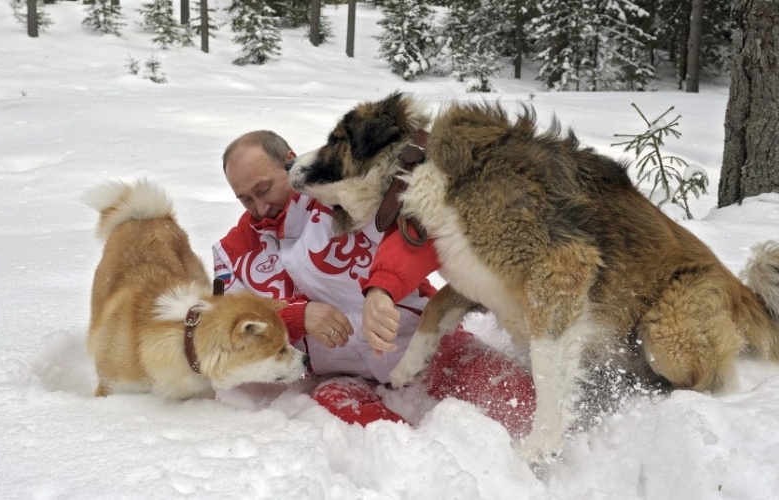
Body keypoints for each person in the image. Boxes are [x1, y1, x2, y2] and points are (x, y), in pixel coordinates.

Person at [212, 130, 536, 436]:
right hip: (340, 378)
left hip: (427, 344)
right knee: (375, 438)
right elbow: (222, 332)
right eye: (245, 199)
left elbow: (421, 231)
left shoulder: (348, 191)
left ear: (290, 160)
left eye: (264, 189)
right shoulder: (233, 252)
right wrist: (295, 318)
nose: (260, 207)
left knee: (521, 404)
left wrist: (382, 286)